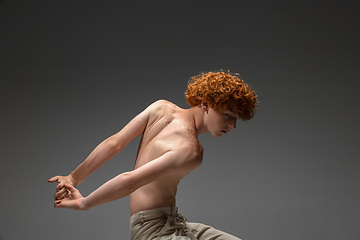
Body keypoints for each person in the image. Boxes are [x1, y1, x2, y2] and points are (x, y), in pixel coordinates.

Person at [48, 70, 258, 240]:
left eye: (236, 118)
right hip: (154, 233)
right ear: (205, 104)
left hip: (173, 222)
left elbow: (114, 143)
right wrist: (84, 204)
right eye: (228, 115)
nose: (233, 125)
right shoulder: (191, 151)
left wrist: (73, 178)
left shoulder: (162, 108)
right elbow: (130, 180)